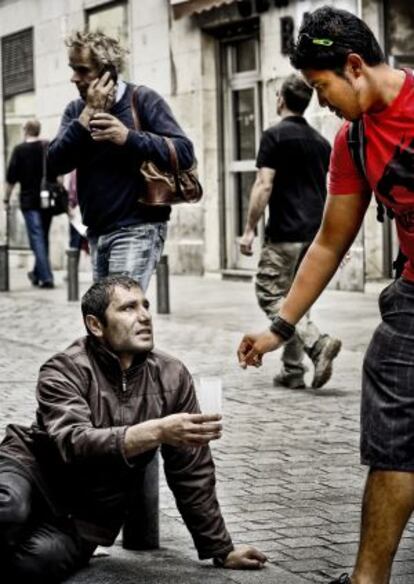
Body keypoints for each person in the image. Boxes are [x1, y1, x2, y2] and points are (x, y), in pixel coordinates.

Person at [237, 6, 414, 584]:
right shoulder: (353, 141)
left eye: (322, 86)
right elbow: (328, 243)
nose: (320, 102)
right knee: (392, 434)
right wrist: (280, 328)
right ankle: (368, 581)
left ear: (355, 66)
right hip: (412, 299)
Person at [0, 275, 266, 583]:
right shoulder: (64, 369)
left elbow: (191, 472)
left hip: (83, 516)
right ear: (96, 325)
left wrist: (220, 548)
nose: (144, 316)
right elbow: (73, 442)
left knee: (33, 565)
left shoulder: (172, 375)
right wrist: (155, 431)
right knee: (8, 509)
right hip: (32, 472)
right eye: (128, 308)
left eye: (146, 305)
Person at [47, 31, 195, 291]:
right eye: (73, 69)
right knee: (109, 319)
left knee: (120, 311)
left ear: (107, 72)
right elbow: (54, 163)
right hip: (96, 230)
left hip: (138, 227)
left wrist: (128, 138)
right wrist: (87, 115)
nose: (74, 78)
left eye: (82, 70)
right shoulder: (75, 110)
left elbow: (184, 152)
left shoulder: (142, 100)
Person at [239, 74, 340, 390]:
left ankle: (317, 342)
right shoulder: (321, 142)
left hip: (284, 231)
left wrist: (249, 229)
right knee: (297, 298)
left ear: (280, 99)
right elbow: (329, 192)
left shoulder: (274, 136)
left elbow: (264, 184)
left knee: (269, 291)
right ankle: (292, 370)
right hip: (314, 235)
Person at [4, 119, 55, 288]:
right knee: (42, 237)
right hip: (47, 200)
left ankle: (46, 277)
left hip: (29, 201)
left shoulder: (19, 150)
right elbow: (58, 171)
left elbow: (11, 179)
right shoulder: (47, 146)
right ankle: (36, 273)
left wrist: (5, 198)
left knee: (37, 238)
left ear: (25, 130)